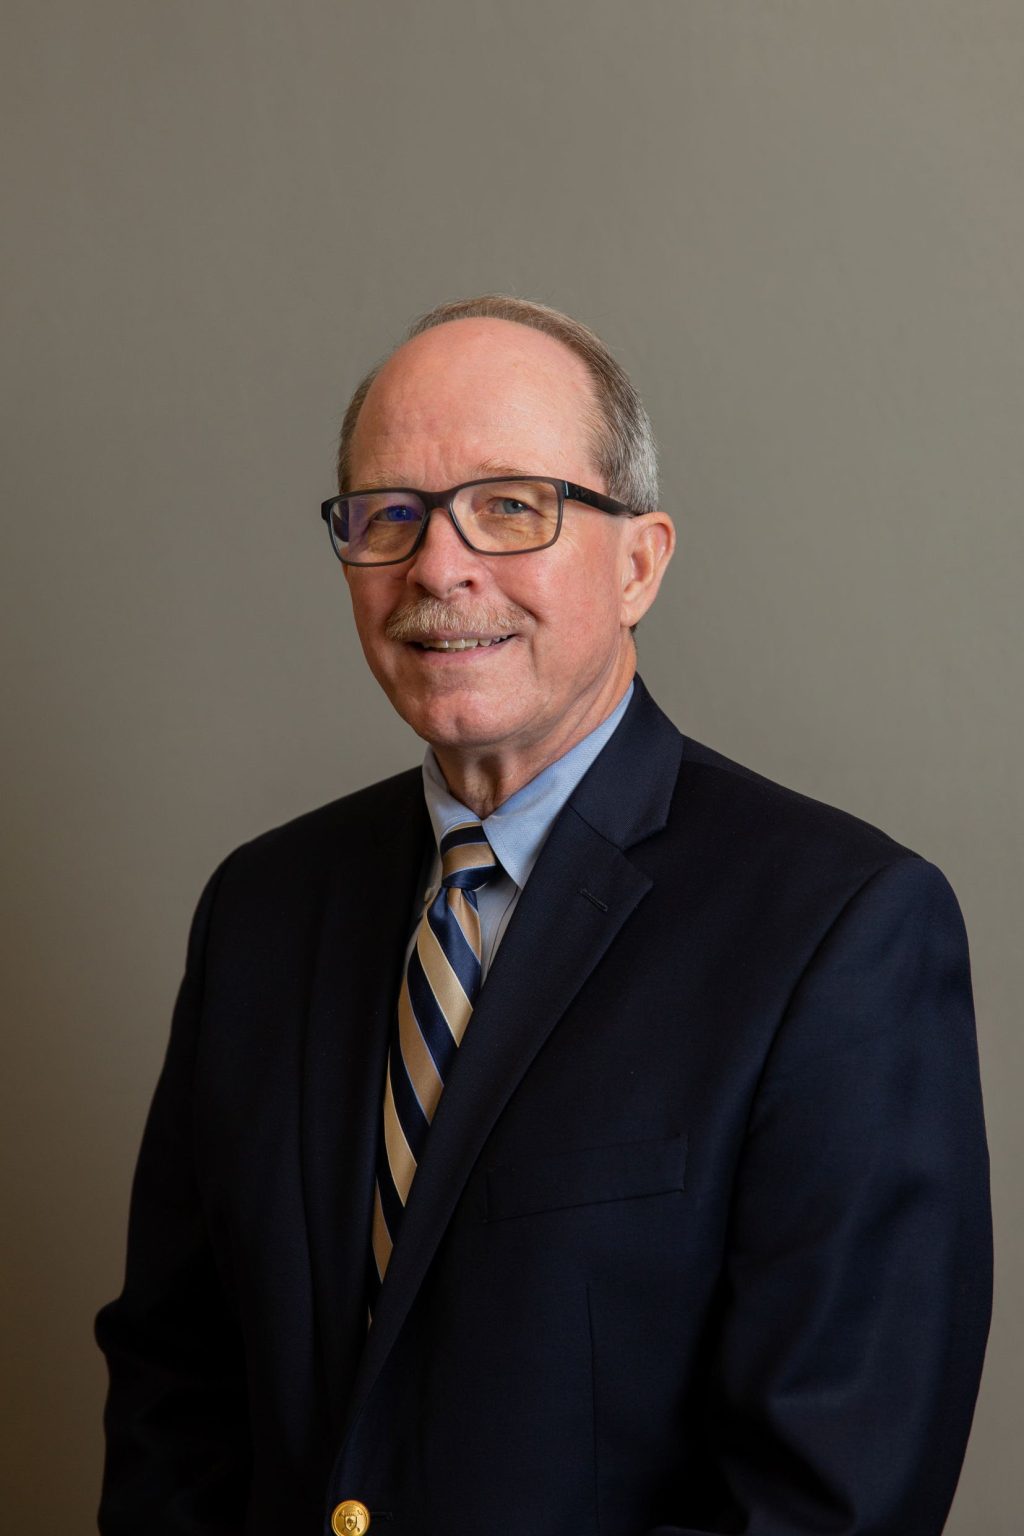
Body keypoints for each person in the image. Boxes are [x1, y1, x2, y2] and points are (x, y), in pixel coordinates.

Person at [96, 295, 992, 1536]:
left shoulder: (837, 930)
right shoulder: (261, 910)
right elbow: (175, 1390)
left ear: (639, 563)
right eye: (389, 515)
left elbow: (829, 1496)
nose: (437, 567)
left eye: (512, 507)